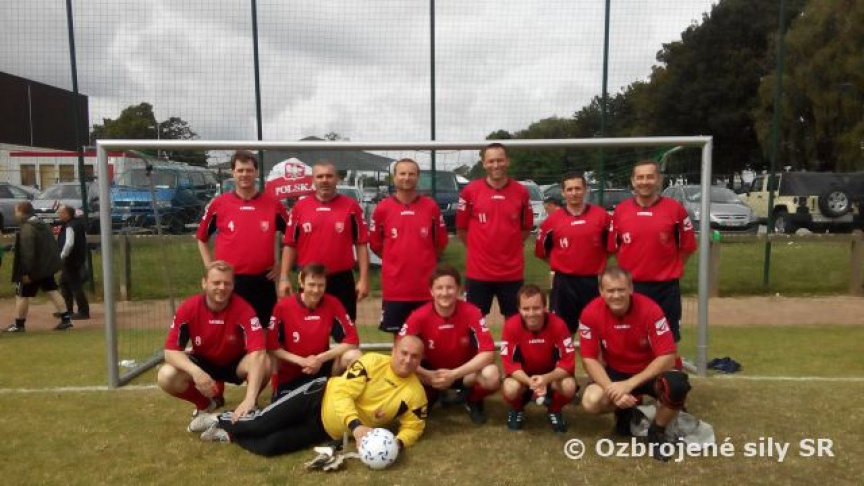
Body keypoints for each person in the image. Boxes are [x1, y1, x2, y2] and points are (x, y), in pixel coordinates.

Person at [196, 335, 428, 459]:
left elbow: (414, 427)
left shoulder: (415, 393)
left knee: (270, 446)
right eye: (403, 353)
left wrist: (395, 444)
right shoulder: (372, 362)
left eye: (414, 357)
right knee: (261, 423)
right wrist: (356, 426)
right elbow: (342, 394)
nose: (407, 360)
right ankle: (218, 419)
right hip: (316, 396)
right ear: (394, 351)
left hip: (327, 430)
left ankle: (231, 435)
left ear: (420, 360)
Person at [578, 266, 692, 461]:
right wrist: (613, 390)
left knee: (676, 386)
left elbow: (668, 356)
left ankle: (656, 431)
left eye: (621, 290)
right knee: (591, 401)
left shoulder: (650, 309)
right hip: (616, 372)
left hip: (649, 372)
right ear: (601, 291)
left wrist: (629, 384)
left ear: (631, 288)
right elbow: (589, 359)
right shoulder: (590, 313)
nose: (616, 295)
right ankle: (626, 411)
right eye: (610, 290)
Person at [158, 261, 269, 431]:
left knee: (265, 363)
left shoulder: (244, 309)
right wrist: (196, 372)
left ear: (233, 285)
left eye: (227, 283)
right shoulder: (189, 308)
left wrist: (250, 398)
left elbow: (258, 352)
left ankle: (248, 405)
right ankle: (205, 404)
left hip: (235, 364)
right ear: (204, 283)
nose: (222, 288)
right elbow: (170, 351)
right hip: (203, 362)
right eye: (216, 283)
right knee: (166, 375)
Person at [398, 264, 500, 424]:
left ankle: (472, 398)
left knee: (492, 375)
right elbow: (398, 352)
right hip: (431, 374)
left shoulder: (472, 312)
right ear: (431, 291)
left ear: (459, 289)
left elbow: (488, 353)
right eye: (439, 288)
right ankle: (431, 394)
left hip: (464, 373)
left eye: (450, 287)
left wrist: (454, 374)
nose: (445, 293)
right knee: (400, 370)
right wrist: (428, 374)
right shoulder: (419, 316)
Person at [197, 150, 289, 324]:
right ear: (233, 172)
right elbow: (201, 238)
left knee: (263, 330)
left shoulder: (273, 204)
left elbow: (292, 238)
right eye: (240, 170)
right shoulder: (219, 204)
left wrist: (282, 267)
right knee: (230, 329)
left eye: (249, 170)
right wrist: (210, 268)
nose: (244, 174)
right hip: (229, 281)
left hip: (263, 280)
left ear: (256, 172)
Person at [608, 160, 696, 342]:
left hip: (666, 288)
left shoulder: (675, 210)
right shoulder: (621, 211)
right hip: (632, 287)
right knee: (632, 340)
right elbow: (615, 248)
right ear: (633, 181)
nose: (645, 182)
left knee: (667, 339)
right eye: (640, 177)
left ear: (659, 179)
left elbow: (687, 247)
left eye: (650, 177)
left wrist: (670, 269)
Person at [279, 161, 370, 322]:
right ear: (313, 180)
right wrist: (284, 277)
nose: (324, 180)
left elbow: (361, 244)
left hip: (341, 279)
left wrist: (364, 279)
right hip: (309, 279)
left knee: (345, 329)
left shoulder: (351, 207)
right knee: (308, 326)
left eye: (329, 176)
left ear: (337, 179)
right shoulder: (300, 207)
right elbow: (290, 244)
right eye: (320, 176)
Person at [369, 158, 448, 334]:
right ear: (394, 177)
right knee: (400, 339)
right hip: (395, 289)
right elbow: (375, 244)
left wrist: (424, 258)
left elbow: (440, 243)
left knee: (429, 337)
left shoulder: (431, 207)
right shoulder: (382, 208)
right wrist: (394, 258)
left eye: (411, 174)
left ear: (418, 177)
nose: (406, 178)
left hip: (426, 288)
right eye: (402, 173)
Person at [456, 142, 533, 318]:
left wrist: (509, 245)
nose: (496, 165)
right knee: (474, 321)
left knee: (515, 321)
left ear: (508, 161)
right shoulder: (470, 191)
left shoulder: (521, 191)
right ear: (484, 164)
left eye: (500, 160)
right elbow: (461, 229)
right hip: (478, 272)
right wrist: (478, 248)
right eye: (491, 161)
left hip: (511, 272)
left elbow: (526, 228)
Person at [267, 263, 362, 397]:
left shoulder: (333, 303)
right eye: (311, 285)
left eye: (320, 285)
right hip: (292, 371)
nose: (316, 290)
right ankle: (276, 390)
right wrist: (303, 361)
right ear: (302, 283)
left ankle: (347, 396)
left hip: (322, 367)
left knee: (354, 355)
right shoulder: (283, 307)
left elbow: (353, 340)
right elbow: (271, 346)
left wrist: (319, 359)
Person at [535, 172, 611, 333]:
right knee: (562, 331)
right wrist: (563, 264)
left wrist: (597, 263)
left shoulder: (602, 217)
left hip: (593, 282)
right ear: (563, 192)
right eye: (569, 189)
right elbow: (542, 252)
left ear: (585, 190)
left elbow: (610, 248)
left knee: (596, 330)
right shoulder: (551, 221)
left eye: (578, 188)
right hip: (564, 284)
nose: (574, 193)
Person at [500, 285, 577, 433]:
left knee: (569, 386)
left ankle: (554, 409)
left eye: (536, 308)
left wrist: (546, 379)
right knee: (510, 388)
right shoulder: (510, 326)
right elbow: (510, 366)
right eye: (526, 309)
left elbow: (568, 363)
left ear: (545, 307)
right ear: (519, 308)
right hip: (523, 378)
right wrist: (530, 382)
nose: (531, 313)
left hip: (551, 377)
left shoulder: (559, 325)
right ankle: (517, 409)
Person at [6, 201, 71, 332]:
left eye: (16, 211)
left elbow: (27, 252)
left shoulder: (27, 228)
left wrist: (25, 272)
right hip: (45, 267)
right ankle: (66, 319)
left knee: (22, 295)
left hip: (33, 269)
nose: (15, 214)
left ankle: (19, 324)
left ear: (22, 212)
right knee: (52, 291)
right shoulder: (43, 225)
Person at [56, 205, 90, 320]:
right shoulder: (77, 224)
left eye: (60, 213)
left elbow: (69, 244)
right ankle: (67, 310)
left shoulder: (70, 226)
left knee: (75, 285)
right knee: (64, 283)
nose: (58, 215)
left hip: (70, 260)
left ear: (67, 214)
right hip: (77, 258)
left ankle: (83, 311)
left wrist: (62, 256)